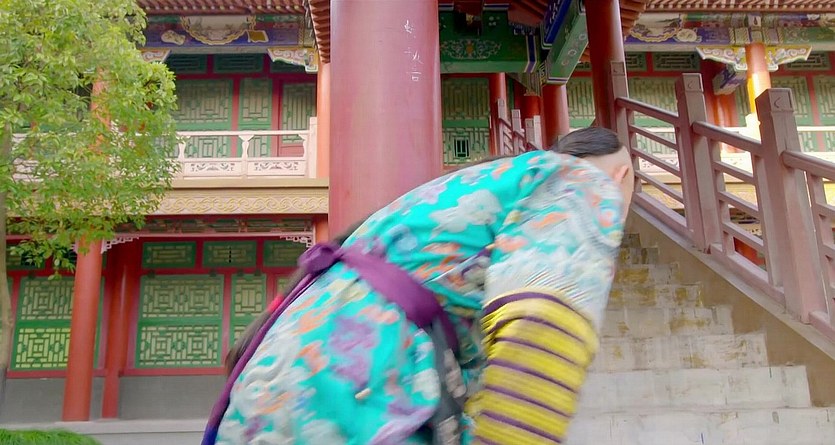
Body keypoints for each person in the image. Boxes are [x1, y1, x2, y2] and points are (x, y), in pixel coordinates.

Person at [206, 126, 635, 445]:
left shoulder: (483, 183)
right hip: (355, 399)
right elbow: (540, 338)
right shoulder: (583, 186)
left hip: (270, 396)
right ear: (621, 177)